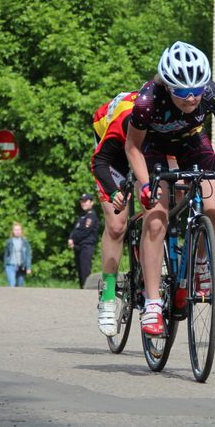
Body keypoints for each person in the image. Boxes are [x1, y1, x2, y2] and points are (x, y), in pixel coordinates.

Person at [125, 41, 215, 337]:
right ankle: (153, 302)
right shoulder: (147, 100)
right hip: (152, 148)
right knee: (156, 219)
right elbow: (132, 146)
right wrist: (145, 185)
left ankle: (198, 263)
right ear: (168, 87)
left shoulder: (212, 94)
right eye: (183, 91)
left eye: (197, 89)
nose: (192, 97)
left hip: (193, 143)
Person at [90, 90, 138, 336]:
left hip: (146, 148)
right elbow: (99, 162)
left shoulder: (168, 120)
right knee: (118, 223)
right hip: (113, 150)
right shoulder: (124, 117)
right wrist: (113, 192)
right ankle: (108, 295)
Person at [68, 193, 100, 289]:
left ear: (91, 203)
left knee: (85, 269)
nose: (83, 203)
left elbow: (85, 231)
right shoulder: (82, 216)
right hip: (78, 246)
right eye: (82, 201)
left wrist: (73, 239)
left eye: (85, 201)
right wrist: (71, 238)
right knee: (80, 270)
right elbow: (75, 230)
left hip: (86, 246)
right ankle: (82, 289)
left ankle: (86, 290)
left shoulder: (91, 216)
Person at [3, 222, 32, 287]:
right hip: (10, 265)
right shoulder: (9, 242)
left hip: (21, 266)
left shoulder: (25, 242)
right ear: (13, 231)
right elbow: (5, 255)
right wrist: (4, 267)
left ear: (21, 231)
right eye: (15, 230)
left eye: (19, 230)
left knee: (20, 286)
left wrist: (28, 267)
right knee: (12, 283)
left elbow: (28, 255)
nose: (17, 231)